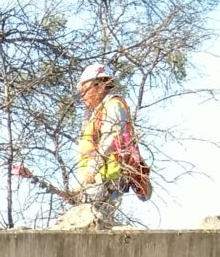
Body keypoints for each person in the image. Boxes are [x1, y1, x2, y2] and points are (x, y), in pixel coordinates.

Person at [14, 61, 149, 225]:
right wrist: (34, 177)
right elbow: (71, 194)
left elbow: (113, 137)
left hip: (105, 182)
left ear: (100, 85)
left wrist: (93, 168)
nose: (83, 96)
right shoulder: (97, 113)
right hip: (95, 183)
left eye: (85, 90)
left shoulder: (113, 105)